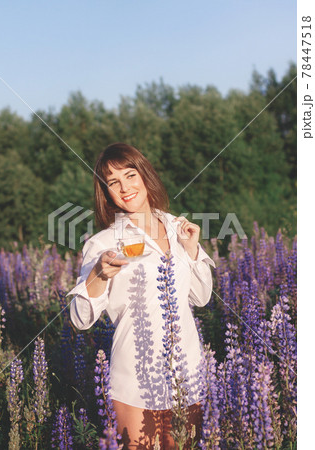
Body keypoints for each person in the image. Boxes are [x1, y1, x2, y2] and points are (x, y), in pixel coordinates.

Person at [67, 142, 215, 449]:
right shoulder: (103, 243)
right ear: (106, 192)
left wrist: (192, 249)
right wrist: (98, 275)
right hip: (134, 377)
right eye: (113, 182)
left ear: (145, 175)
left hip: (185, 372)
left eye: (130, 175)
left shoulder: (177, 227)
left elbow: (200, 297)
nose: (125, 187)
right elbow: (80, 319)